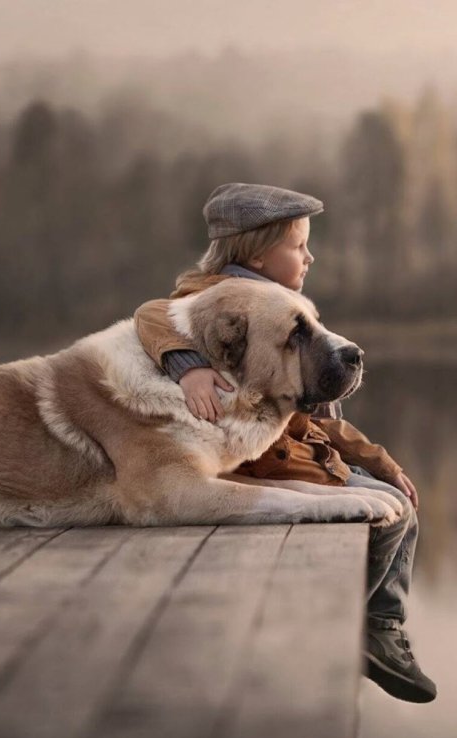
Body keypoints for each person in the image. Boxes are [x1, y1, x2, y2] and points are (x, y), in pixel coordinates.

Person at [133, 183, 436, 703]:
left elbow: (316, 417)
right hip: (260, 464)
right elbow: (154, 314)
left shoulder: (283, 308)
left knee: (399, 502)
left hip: (294, 450)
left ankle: (373, 624)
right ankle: (356, 627)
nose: (310, 256)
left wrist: (376, 459)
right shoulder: (221, 300)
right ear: (254, 253)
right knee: (391, 515)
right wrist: (185, 366)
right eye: (298, 245)